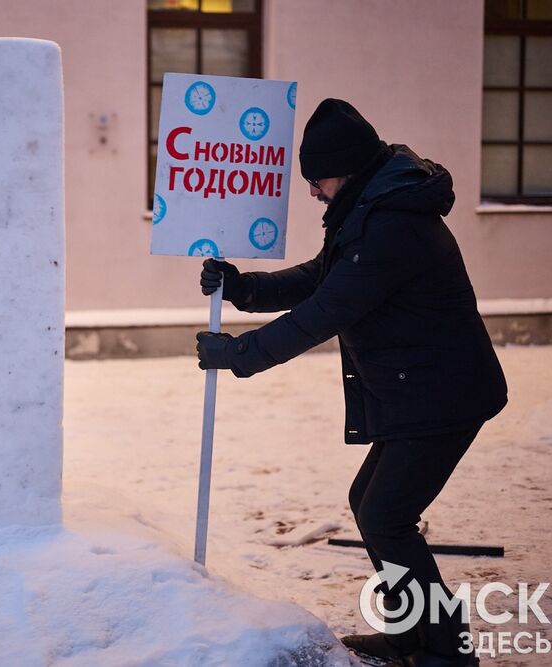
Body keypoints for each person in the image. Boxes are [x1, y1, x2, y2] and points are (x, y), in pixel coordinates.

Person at [195, 99, 506, 667]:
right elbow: (323, 277)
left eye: (317, 180)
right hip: (418, 390)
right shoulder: (372, 207)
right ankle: (413, 637)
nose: (312, 191)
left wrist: (239, 354)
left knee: (385, 514)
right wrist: (246, 289)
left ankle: (444, 651)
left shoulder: (394, 225)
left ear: (347, 167)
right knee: (372, 506)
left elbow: (329, 308)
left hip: (443, 394)